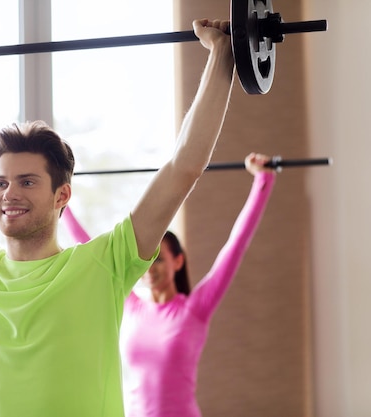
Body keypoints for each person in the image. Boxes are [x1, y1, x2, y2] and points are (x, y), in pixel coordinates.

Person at [0, 17, 234, 417]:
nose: (9, 193)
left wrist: (222, 55)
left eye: (27, 182)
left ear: (62, 195)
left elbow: (183, 168)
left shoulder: (103, 264)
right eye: (1, 182)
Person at [62, 152, 277, 417]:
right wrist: (60, 202)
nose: (150, 269)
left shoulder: (195, 309)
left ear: (178, 261)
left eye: (159, 260)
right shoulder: (131, 305)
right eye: (147, 261)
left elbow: (236, 243)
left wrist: (262, 181)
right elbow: (88, 249)